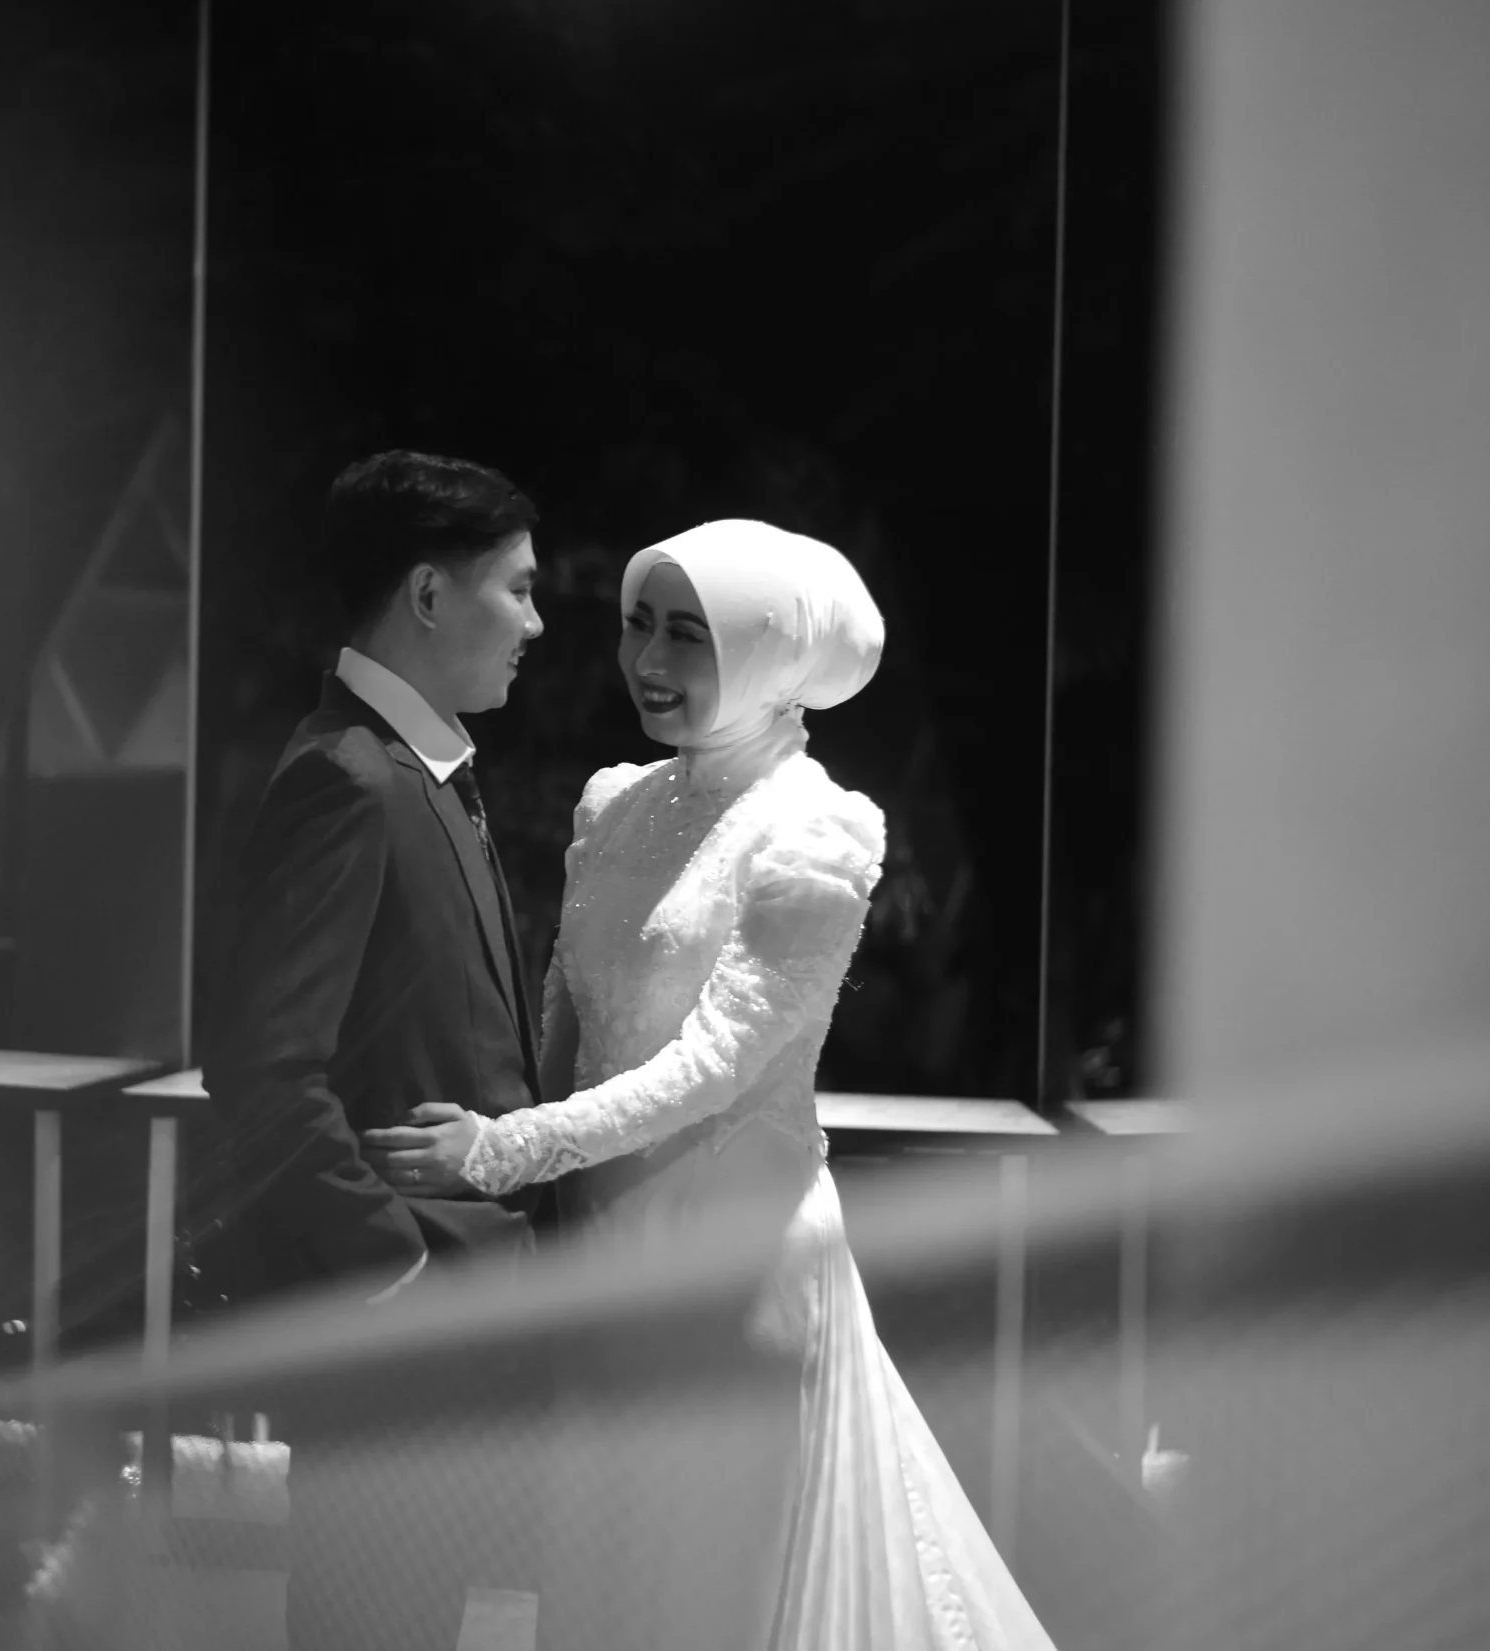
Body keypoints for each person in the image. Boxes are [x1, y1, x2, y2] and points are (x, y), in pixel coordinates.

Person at [366, 519, 1059, 1651]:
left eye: (689, 634)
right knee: (597, 1591)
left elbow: (714, 1065)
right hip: (600, 1266)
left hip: (733, 1274)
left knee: (704, 1600)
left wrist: (498, 1149)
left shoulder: (818, 827)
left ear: (766, 649)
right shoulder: (615, 802)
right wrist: (520, 1203)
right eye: (639, 623)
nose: (648, 659)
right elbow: (562, 1015)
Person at [201, 449, 554, 1651]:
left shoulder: (422, 774)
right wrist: (392, 1268)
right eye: (518, 588)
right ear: (428, 594)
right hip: (395, 1326)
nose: (536, 624)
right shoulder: (350, 779)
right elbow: (262, 1068)